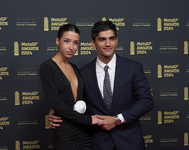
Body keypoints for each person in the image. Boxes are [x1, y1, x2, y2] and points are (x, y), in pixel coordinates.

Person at [48, 21, 154, 150]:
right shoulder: (82, 73)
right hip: (98, 143)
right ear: (93, 43)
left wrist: (116, 119)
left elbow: (146, 101)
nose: (108, 44)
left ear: (116, 40)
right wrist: (57, 113)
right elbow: (77, 104)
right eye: (102, 39)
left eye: (111, 39)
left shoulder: (133, 68)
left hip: (130, 142)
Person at [40, 24, 102, 150]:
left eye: (76, 43)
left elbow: (84, 98)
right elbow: (56, 103)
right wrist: (88, 120)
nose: (71, 47)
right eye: (66, 41)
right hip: (65, 131)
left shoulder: (75, 68)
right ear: (58, 41)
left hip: (85, 132)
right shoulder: (47, 67)